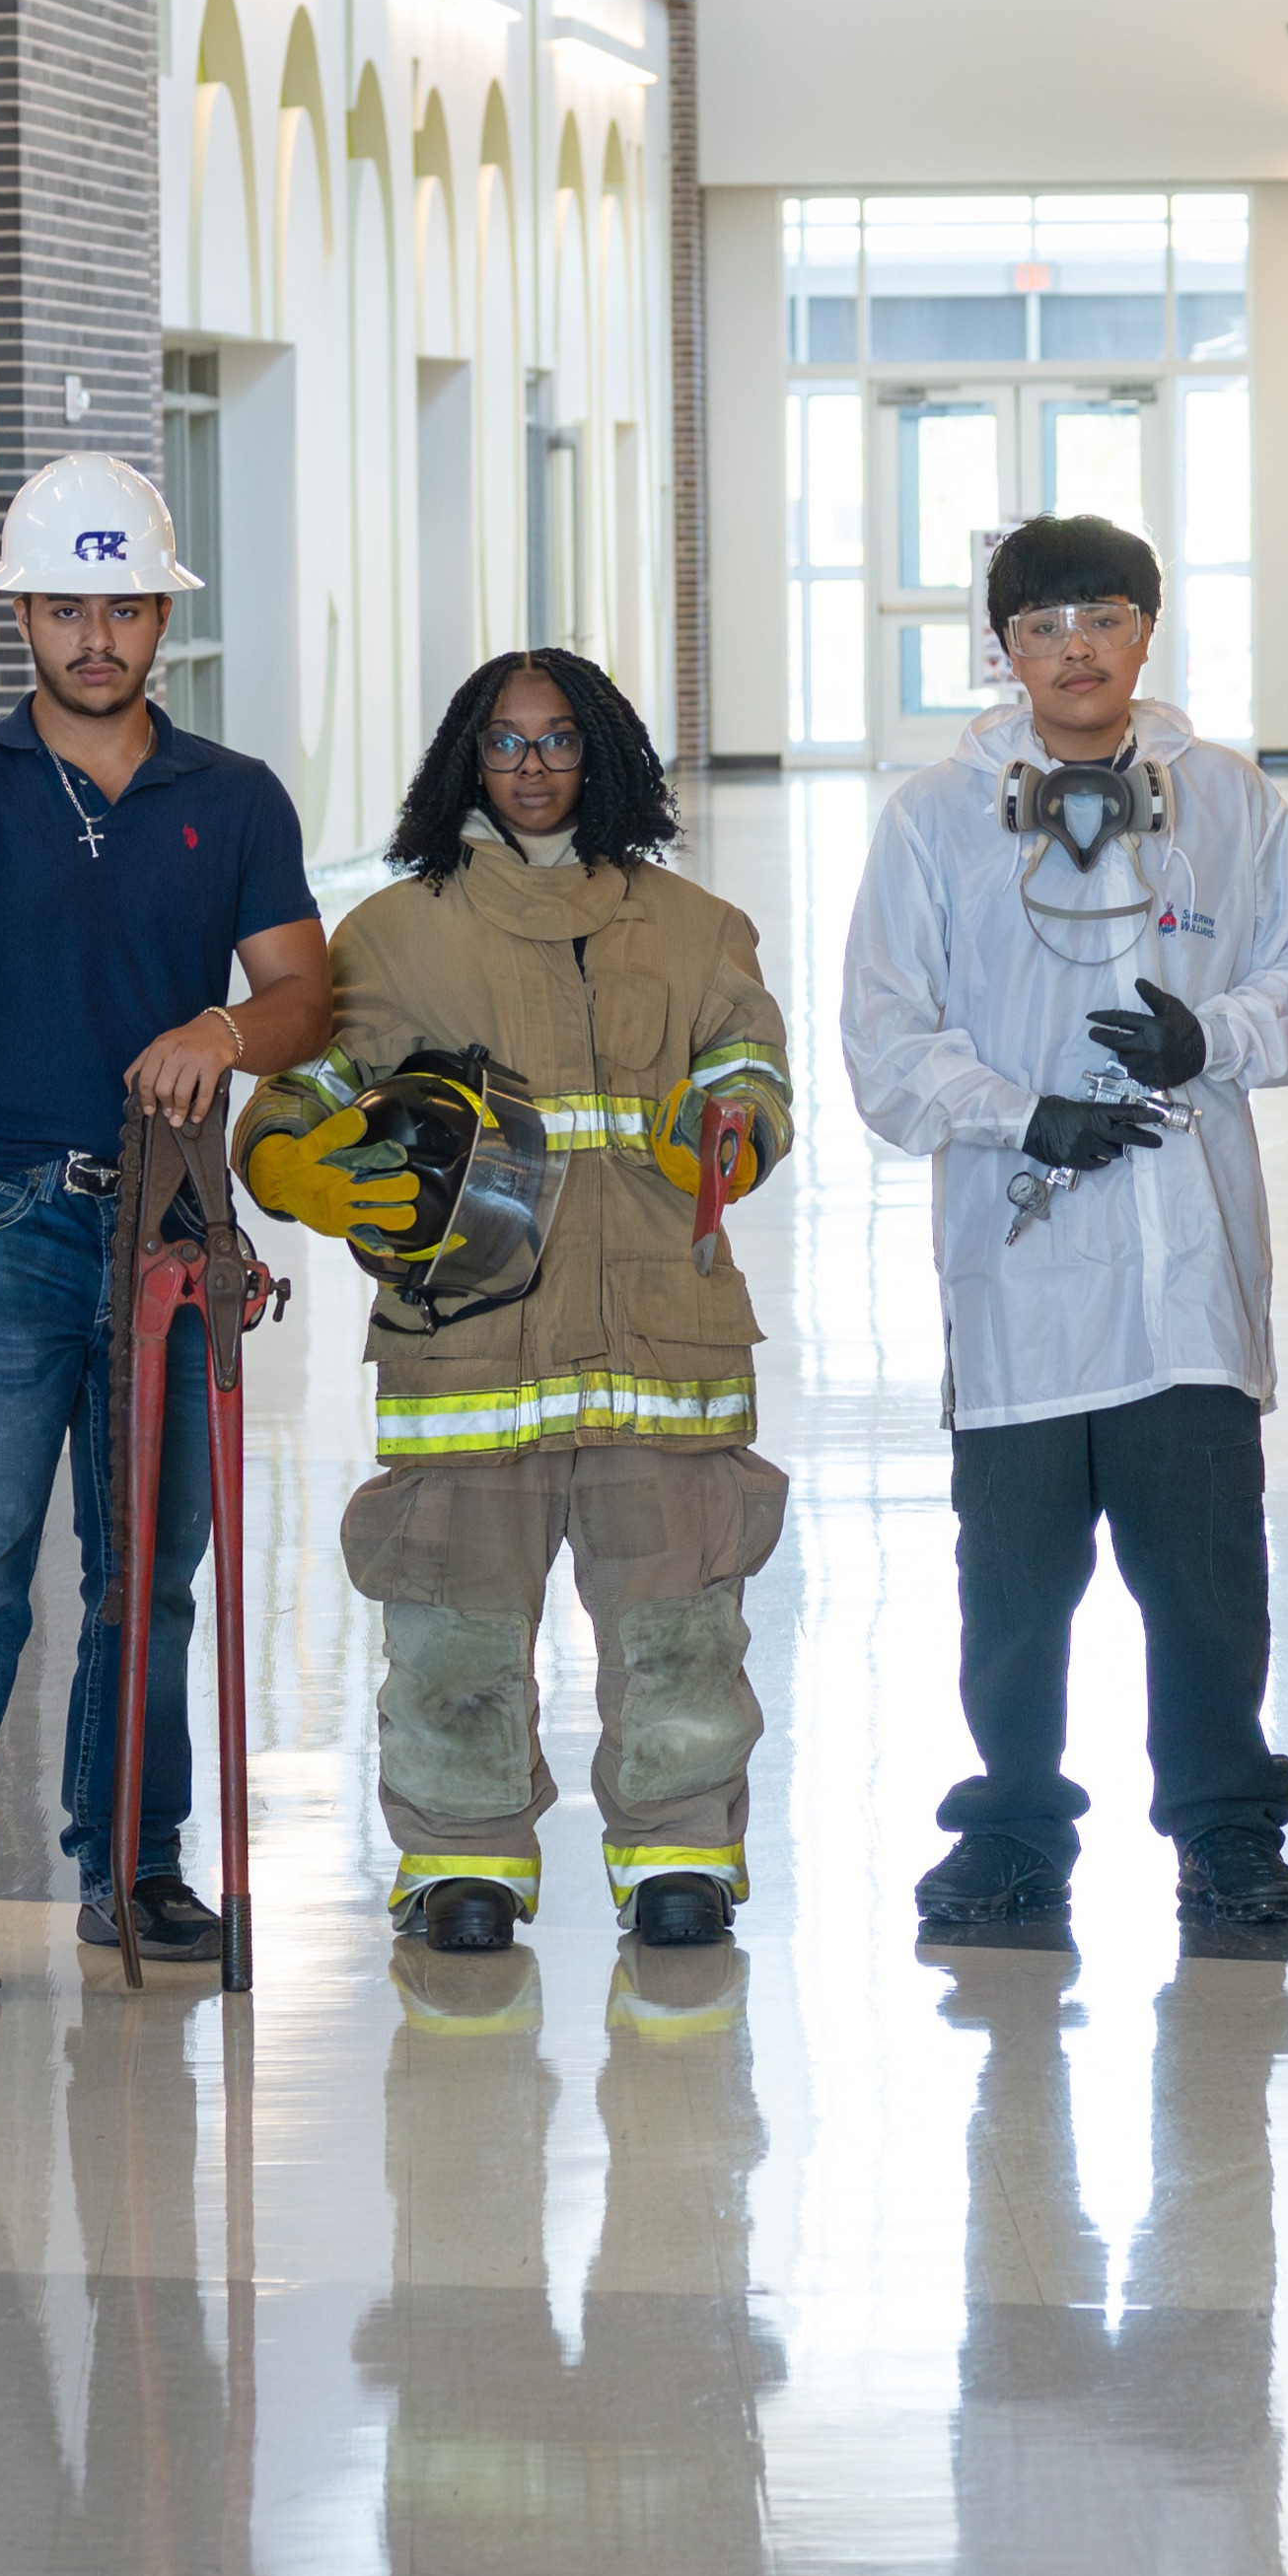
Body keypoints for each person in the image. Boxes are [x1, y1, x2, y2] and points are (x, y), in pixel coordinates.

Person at [0, 454, 330, 2004]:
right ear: (24, 616)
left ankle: (135, 1865)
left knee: (153, 1571)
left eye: (124, 604)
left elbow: (306, 994)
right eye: (68, 604)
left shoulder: (235, 796)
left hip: (175, 1232)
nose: (98, 633)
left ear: (161, 614)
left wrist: (228, 1031)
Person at [243, 649, 796, 1953]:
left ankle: (681, 1856)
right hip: (467, 1352)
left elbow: (753, 1073)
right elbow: (296, 1096)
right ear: (465, 764)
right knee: (452, 1626)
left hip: (660, 1343)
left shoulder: (696, 927)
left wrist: (730, 1130)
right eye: (505, 744)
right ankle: (458, 1865)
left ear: (602, 757)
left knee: (678, 1628)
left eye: (558, 742)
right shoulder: (393, 934)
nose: (534, 768)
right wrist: (293, 1169)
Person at [836, 514, 1288, 1935]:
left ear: (1146, 632)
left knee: (1204, 1583)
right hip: (1021, 1261)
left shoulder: (1227, 800)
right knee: (1014, 1590)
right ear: (1001, 650)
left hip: (1186, 1260)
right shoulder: (935, 817)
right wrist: (1016, 1112)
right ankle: (1011, 1830)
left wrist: (1217, 1033)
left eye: (1105, 619)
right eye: (1045, 626)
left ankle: (1227, 1831)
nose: (1076, 649)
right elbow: (883, 1029)